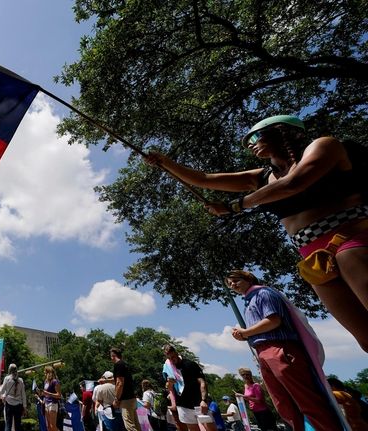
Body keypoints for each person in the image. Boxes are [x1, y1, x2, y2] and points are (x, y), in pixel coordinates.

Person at [144, 115, 368, 352]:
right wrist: (165, 162)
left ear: (284, 131)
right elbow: (204, 179)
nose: (250, 144)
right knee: (365, 339)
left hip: (349, 238)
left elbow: (294, 183)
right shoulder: (262, 177)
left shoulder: (324, 145)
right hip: (312, 256)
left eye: (254, 136)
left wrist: (236, 206)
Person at [226, 270, 344, 431]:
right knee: (283, 404)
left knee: (306, 400)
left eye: (235, 280)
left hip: (279, 348)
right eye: (229, 283)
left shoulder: (263, 293)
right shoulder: (248, 301)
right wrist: (245, 335)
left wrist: (246, 332)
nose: (232, 285)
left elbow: (273, 320)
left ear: (248, 278)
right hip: (262, 353)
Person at [162, 344, 209, 431]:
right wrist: (169, 383)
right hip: (183, 405)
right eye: (169, 358)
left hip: (198, 403)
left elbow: (202, 382)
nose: (172, 360)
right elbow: (168, 387)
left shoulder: (190, 364)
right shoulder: (168, 369)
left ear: (176, 353)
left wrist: (204, 400)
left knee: (209, 428)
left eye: (173, 356)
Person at [109, 347, 141, 431]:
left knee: (129, 426)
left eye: (110, 356)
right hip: (132, 398)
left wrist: (116, 399)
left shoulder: (118, 365)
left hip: (125, 400)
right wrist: (106, 380)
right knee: (136, 425)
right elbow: (119, 379)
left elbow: (120, 383)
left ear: (113, 355)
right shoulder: (124, 364)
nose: (110, 358)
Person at [0, 364, 27, 431]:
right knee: (18, 425)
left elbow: (1, 391)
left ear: (9, 370)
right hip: (18, 405)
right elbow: (23, 394)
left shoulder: (7, 378)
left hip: (9, 404)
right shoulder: (21, 380)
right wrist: (25, 406)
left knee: (8, 424)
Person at [41, 366, 62, 431]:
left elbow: (59, 395)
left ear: (49, 373)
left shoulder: (55, 381)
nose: (44, 374)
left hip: (53, 404)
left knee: (53, 426)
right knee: (48, 427)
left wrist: (48, 393)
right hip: (46, 404)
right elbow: (45, 393)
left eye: (45, 373)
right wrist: (41, 393)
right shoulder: (46, 381)